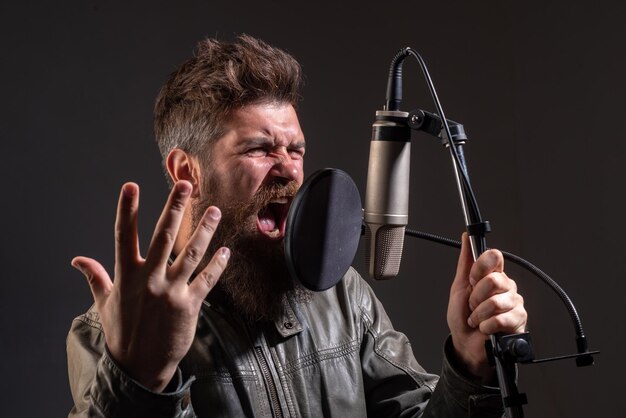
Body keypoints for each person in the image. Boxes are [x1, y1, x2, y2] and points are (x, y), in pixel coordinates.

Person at [67, 35, 527, 417]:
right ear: (188, 171)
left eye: (296, 150)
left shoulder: (343, 297)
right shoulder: (114, 330)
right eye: (260, 149)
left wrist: (469, 363)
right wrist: (140, 379)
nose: (289, 170)